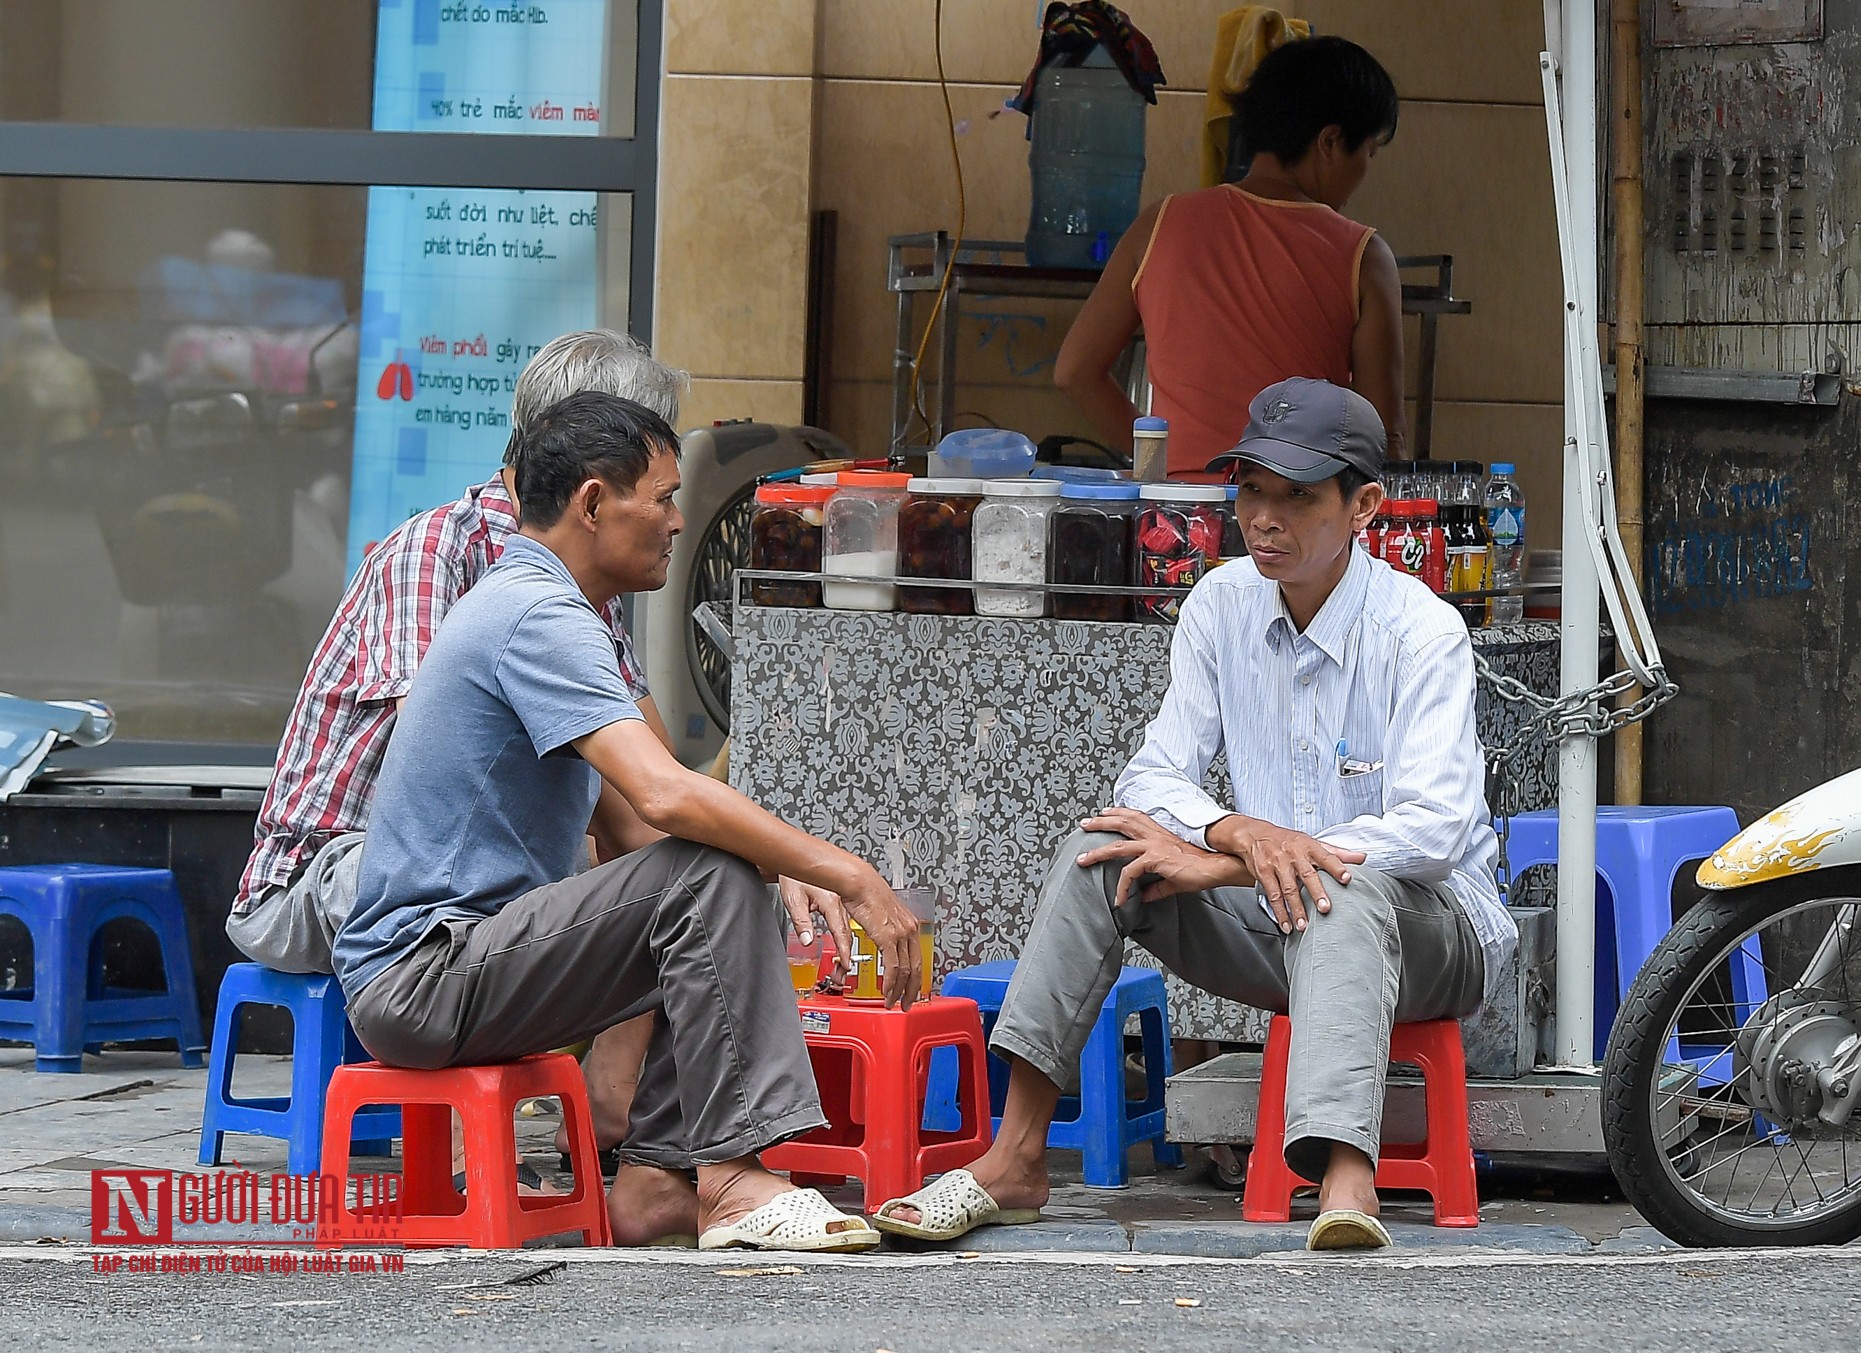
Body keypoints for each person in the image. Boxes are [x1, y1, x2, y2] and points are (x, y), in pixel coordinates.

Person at [872, 377, 1514, 1251]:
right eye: (1252, 489)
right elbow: (1153, 776)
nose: (1266, 518)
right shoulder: (1219, 605)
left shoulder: (1420, 631)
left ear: (1363, 505)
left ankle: (1345, 1177)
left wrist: (1238, 862)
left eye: (1297, 496)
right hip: (1283, 919)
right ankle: (1016, 1154)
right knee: (1104, 850)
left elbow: (1435, 829)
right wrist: (1233, 834)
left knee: (1344, 887)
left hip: (1437, 934)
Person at [334, 391, 922, 1253]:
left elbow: (641, 833)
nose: (680, 522)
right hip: (423, 973)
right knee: (710, 869)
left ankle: (656, 1183)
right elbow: (666, 796)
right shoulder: (536, 612)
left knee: (722, 869)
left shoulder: (551, 608)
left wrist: (773, 863)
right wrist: (848, 870)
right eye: (663, 497)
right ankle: (731, 1176)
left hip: (464, 963)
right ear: (594, 502)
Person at [227, 329, 684, 1159]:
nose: (670, 507)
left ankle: (622, 1114)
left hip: (465, 857)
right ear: (583, 464)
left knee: (658, 868)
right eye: (648, 471)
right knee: (553, 867)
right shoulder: (435, 550)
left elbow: (648, 772)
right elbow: (445, 780)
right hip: (333, 866)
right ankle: (495, 1131)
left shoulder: (591, 576)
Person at [1053, 35, 1407, 476]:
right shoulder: (1364, 255)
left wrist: (1160, 464)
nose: (1364, 172)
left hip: (1174, 521)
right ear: (1331, 142)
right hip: (1294, 524)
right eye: (1369, 152)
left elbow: (1074, 372)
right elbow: (1383, 438)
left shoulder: (1160, 223)